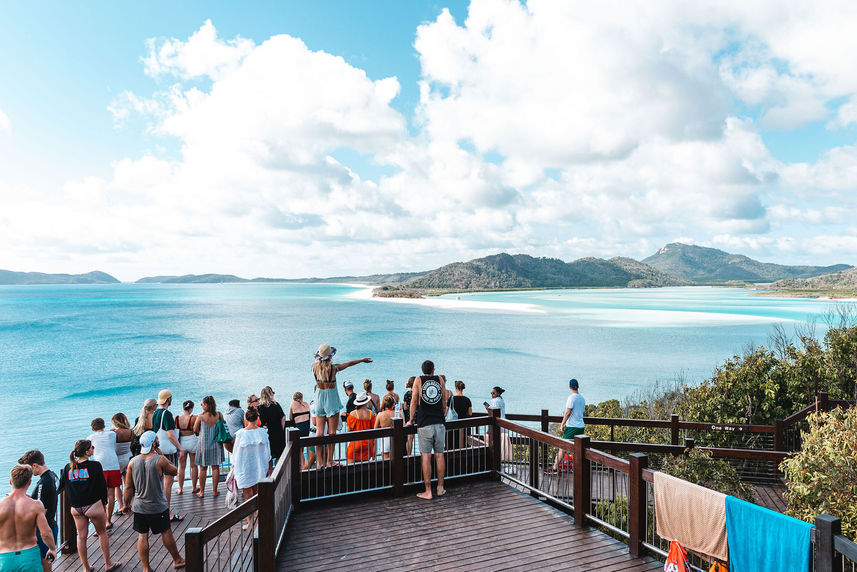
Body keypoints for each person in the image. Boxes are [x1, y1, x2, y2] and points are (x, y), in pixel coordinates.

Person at [123, 431, 186, 571]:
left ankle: (146, 568)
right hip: (157, 505)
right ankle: (177, 559)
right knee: (166, 532)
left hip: (139, 505)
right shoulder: (159, 459)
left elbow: (128, 487)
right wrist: (162, 454)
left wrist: (126, 504)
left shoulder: (132, 462)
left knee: (142, 535)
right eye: (156, 440)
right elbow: (174, 471)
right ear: (153, 444)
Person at [59, 439, 120, 571]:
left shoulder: (67, 467)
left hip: (76, 507)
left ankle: (86, 568)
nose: (93, 448)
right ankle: (108, 563)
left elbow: (61, 486)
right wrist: (104, 503)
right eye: (92, 447)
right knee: (102, 533)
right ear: (87, 451)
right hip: (93, 506)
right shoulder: (95, 465)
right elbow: (102, 487)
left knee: (81, 537)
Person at [311, 343, 372, 469]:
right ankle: (329, 461)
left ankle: (319, 463)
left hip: (318, 398)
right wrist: (362, 360)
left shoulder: (314, 367)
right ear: (330, 356)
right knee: (332, 433)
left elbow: (318, 360)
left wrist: (317, 357)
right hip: (331, 399)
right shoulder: (333, 369)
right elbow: (349, 363)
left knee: (319, 433)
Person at [0, 465, 56, 572]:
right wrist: (52, 549)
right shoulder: (35, 505)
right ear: (29, 483)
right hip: (29, 556)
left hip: (5, 558)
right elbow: (45, 533)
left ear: (11, 482)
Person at [408, 360, 448, 500]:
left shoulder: (418, 380)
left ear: (422, 369)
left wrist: (410, 420)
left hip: (424, 423)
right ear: (433, 370)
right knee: (439, 455)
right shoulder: (440, 379)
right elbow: (444, 400)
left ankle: (428, 491)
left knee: (426, 456)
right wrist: (442, 414)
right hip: (439, 423)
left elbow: (413, 401)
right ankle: (440, 488)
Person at [17, 450, 58, 569]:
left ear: (35, 465)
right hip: (52, 526)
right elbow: (43, 499)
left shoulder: (43, 483)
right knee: (47, 563)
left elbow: (40, 510)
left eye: (29, 469)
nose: (29, 473)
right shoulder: (53, 476)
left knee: (45, 565)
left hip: (44, 530)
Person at [231, 408, 270, 530]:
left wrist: (233, 467)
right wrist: (268, 467)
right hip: (259, 467)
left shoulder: (241, 434)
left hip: (245, 468)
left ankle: (250, 522)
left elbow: (235, 454)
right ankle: (259, 521)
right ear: (257, 418)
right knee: (258, 494)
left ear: (246, 419)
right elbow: (268, 453)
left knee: (247, 496)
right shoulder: (263, 433)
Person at [153, 389, 183, 522]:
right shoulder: (167, 414)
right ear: (169, 399)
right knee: (168, 483)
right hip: (168, 452)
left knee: (159, 483)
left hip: (157, 451)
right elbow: (170, 434)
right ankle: (167, 512)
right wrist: (180, 448)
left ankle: (159, 510)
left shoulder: (154, 413)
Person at [87, 417, 122, 528]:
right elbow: (114, 432)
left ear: (92, 429)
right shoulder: (112, 435)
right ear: (104, 426)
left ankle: (101, 521)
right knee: (111, 495)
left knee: (100, 496)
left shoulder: (90, 438)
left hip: (99, 466)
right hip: (113, 464)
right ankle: (108, 520)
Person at [193, 395, 224, 498]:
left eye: (201, 404)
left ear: (206, 405)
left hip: (204, 445)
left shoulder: (201, 416)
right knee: (215, 468)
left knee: (203, 469)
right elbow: (223, 428)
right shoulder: (219, 415)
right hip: (216, 444)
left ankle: (201, 492)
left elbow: (195, 429)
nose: (201, 406)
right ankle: (215, 491)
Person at [552, 378, 586, 472]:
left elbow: (568, 412)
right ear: (578, 386)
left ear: (569, 387)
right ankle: (576, 468)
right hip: (580, 426)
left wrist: (562, 424)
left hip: (572, 426)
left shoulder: (571, 398)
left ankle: (555, 467)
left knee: (562, 447)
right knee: (577, 448)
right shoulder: (582, 398)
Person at [257, 386, 286, 463]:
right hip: (277, 432)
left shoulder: (260, 407)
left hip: (266, 432)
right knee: (279, 455)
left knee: (267, 456)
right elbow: (283, 418)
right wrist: (281, 429)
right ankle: (278, 473)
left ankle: (270, 473)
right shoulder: (276, 405)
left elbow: (258, 421)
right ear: (270, 394)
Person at [176, 400, 199, 496]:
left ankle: (180, 488)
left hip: (181, 442)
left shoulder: (176, 418)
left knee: (181, 467)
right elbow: (197, 430)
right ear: (191, 409)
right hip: (192, 441)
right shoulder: (194, 418)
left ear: (183, 408)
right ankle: (194, 487)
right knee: (194, 466)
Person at [345, 393, 376, 463]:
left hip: (355, 444)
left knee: (350, 469)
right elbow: (374, 432)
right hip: (367, 445)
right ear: (365, 403)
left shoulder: (352, 414)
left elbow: (348, 431)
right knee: (364, 471)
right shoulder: (371, 414)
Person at [484, 386, 511, 460]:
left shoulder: (494, 401)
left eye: (493, 393)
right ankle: (502, 457)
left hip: (496, 423)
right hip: (503, 423)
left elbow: (493, 413)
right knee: (501, 442)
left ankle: (491, 457)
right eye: (491, 393)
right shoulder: (501, 400)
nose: (492, 394)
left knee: (489, 438)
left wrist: (487, 409)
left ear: (498, 394)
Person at [448, 380, 473, 449]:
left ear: (456, 388)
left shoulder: (451, 399)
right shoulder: (467, 400)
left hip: (453, 426)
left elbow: (446, 412)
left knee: (452, 445)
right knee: (463, 445)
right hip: (464, 425)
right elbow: (470, 413)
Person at [289, 392, 311, 467]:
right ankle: (309, 463)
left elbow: (291, 418)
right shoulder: (306, 404)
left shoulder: (292, 404)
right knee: (308, 445)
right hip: (308, 427)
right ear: (302, 397)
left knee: (300, 448)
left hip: (300, 427)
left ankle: (303, 465)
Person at [374, 394, 396, 460]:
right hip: (396, 439)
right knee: (396, 460)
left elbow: (375, 428)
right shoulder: (398, 413)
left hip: (384, 439)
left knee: (385, 462)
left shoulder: (380, 415)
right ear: (393, 404)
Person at [402, 376, 416, 454]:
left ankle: (409, 455)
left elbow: (405, 407)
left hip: (409, 416)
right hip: (418, 416)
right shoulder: (418, 394)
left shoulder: (407, 394)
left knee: (410, 438)